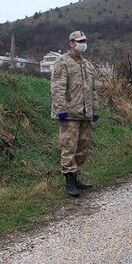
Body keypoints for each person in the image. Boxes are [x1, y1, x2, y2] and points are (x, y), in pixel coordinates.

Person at [50, 30, 99, 197]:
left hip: (85, 114)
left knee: (82, 148)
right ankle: (69, 181)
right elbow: (57, 89)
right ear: (71, 43)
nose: (82, 43)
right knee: (68, 147)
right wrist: (60, 110)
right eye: (79, 41)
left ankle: (76, 177)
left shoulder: (87, 65)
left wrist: (95, 110)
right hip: (70, 113)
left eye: (84, 40)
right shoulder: (62, 63)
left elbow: (93, 90)